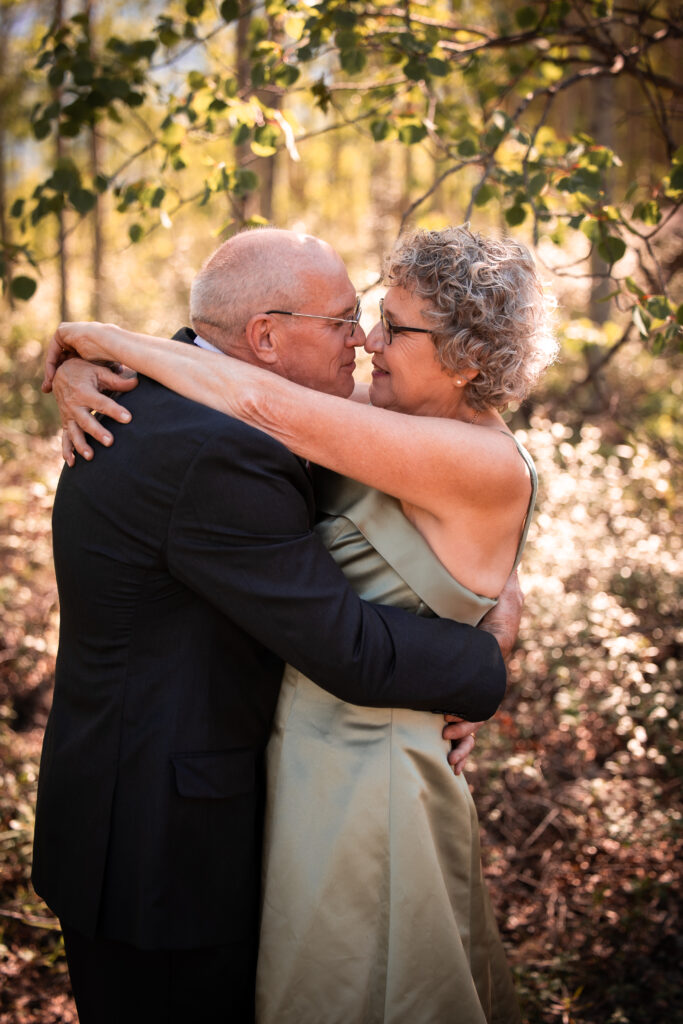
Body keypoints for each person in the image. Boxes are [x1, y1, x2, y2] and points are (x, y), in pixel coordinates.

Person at [45, 225, 556, 1023]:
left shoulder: (382, 425)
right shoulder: (351, 410)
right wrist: (91, 359)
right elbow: (243, 382)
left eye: (389, 325)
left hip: (366, 769)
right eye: (359, 319)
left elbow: (261, 392)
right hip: (235, 788)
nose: (368, 342)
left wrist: (490, 631)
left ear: (463, 357)